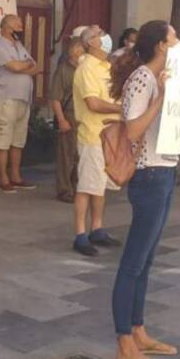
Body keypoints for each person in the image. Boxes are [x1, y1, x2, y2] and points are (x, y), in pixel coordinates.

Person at [110, 20, 180, 359]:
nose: (179, 42)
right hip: (148, 174)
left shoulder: (159, 78)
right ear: (162, 46)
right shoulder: (142, 78)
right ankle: (124, 344)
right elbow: (133, 129)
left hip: (165, 170)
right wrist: (162, 98)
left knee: (147, 259)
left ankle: (138, 330)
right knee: (133, 262)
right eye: (174, 37)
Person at [71, 25, 122, 256]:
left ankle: (97, 228)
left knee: (99, 186)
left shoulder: (107, 66)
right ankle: (80, 234)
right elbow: (93, 103)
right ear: (91, 41)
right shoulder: (87, 68)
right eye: (99, 33)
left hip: (110, 133)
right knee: (87, 185)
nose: (105, 36)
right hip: (93, 134)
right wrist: (121, 108)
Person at [0, 14, 39, 193]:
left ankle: (16, 176)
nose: (20, 28)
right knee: (3, 138)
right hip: (7, 97)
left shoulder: (19, 46)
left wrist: (24, 65)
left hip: (24, 98)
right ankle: (3, 177)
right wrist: (24, 65)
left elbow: (36, 67)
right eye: (17, 25)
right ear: (6, 27)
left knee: (18, 140)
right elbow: (15, 67)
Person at [49, 28, 86, 204]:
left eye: (81, 48)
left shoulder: (87, 69)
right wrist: (61, 119)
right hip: (69, 114)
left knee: (81, 154)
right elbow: (55, 98)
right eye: (76, 48)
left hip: (86, 116)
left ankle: (78, 186)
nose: (78, 51)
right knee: (66, 154)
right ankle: (64, 189)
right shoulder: (63, 70)